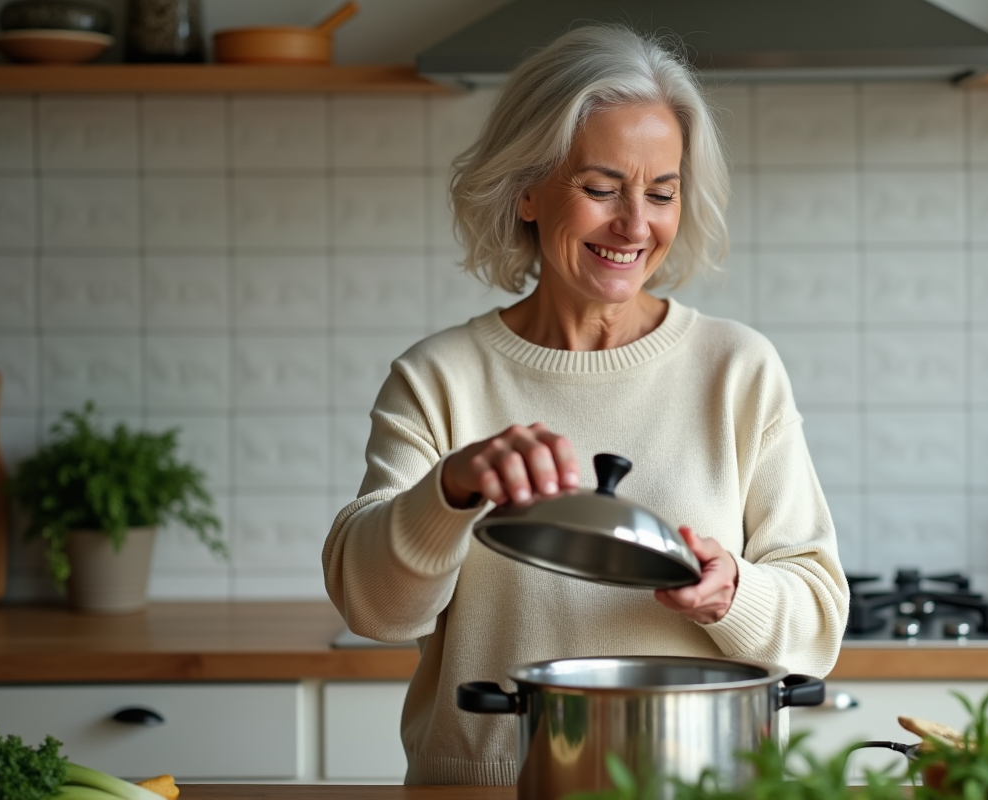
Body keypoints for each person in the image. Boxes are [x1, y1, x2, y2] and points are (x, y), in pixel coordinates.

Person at [322, 23, 848, 786]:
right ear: (527, 189)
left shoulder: (736, 370)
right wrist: (451, 489)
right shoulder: (440, 378)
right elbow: (373, 609)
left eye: (661, 192)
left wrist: (732, 590)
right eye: (602, 189)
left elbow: (820, 625)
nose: (636, 224)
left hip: (698, 783)